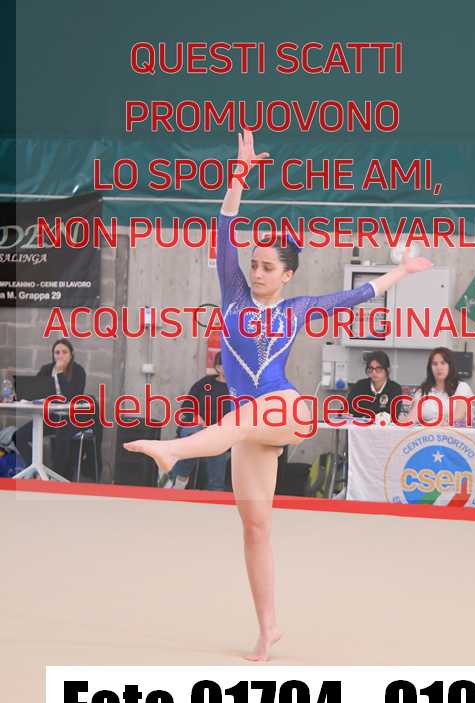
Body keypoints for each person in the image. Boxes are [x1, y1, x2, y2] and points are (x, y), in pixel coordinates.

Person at [124, 129, 433, 661]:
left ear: (288, 274)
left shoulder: (296, 309)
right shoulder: (233, 295)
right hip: (248, 422)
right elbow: (224, 228)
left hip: (285, 409)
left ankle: (174, 449)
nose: (256, 271)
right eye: (255, 264)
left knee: (242, 419)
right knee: (255, 527)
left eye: (268, 267)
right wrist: (239, 175)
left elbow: (356, 295)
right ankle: (268, 628)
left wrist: (401, 271)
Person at [13, 338, 86, 478]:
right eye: (57, 352)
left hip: (70, 418)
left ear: (71, 354)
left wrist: (60, 373)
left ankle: (57, 478)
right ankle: (35, 471)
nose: (60, 355)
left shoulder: (78, 371)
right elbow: (34, 391)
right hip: (50, 417)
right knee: (18, 436)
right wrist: (23, 395)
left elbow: (71, 397)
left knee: (60, 438)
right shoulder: (46, 369)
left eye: (64, 352)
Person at [163, 352, 231, 490]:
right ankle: (179, 478)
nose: (227, 369)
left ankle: (214, 489)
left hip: (220, 431)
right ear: (217, 367)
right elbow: (187, 405)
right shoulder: (205, 383)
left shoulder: (237, 388)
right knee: (195, 436)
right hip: (195, 426)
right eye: (223, 365)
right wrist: (196, 417)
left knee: (216, 441)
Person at [403, 347, 474, 426]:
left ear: (450, 366)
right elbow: (413, 416)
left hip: (454, 433)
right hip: (427, 432)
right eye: (435, 364)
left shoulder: (461, 387)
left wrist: (440, 423)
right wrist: (399, 424)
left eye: (443, 363)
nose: (439, 368)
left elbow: (459, 415)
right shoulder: (423, 390)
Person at [348, 350, 404, 420]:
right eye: (371, 368)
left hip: (383, 426)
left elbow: (393, 414)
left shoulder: (395, 389)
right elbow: (347, 409)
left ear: (387, 370)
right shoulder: (360, 385)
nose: (374, 372)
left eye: (378, 368)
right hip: (358, 425)